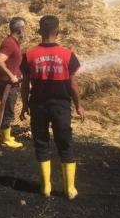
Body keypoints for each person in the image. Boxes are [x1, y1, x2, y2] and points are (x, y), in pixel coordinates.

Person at [20, 15, 85, 200]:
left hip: (38, 106)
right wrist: (79, 106)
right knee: (65, 143)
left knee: (41, 143)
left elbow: (25, 85)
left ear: (40, 32)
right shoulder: (68, 54)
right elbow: (73, 85)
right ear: (57, 32)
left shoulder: (29, 55)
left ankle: (46, 186)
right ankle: (69, 189)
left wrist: (24, 104)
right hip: (61, 107)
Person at [0, 17, 25, 148]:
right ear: (20, 29)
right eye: (25, 28)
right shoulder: (9, 43)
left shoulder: (14, 42)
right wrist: (12, 76)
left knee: (8, 109)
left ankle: (2, 134)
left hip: (11, 84)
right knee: (8, 111)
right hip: (7, 84)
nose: (26, 31)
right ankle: (6, 139)